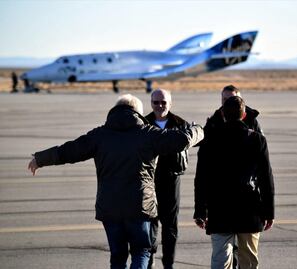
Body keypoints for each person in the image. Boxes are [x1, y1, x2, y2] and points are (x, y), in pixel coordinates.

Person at [27, 94, 204, 269]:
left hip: (109, 207)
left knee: (118, 257)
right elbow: (182, 140)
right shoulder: (147, 134)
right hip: (140, 206)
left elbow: (70, 150)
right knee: (142, 252)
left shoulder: (100, 135)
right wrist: (198, 129)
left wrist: (40, 159)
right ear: (138, 113)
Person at [193, 96, 274, 269]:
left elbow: (201, 179)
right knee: (249, 260)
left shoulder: (210, 140)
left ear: (223, 114)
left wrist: (200, 210)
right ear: (244, 115)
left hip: (219, 209)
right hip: (250, 209)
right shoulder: (257, 140)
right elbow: (266, 178)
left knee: (220, 259)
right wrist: (269, 211)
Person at [145, 89, 190, 269]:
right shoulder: (143, 123)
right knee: (150, 223)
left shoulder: (180, 124)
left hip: (172, 180)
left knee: (170, 225)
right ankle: (149, 260)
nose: (160, 106)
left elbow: (196, 139)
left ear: (170, 103)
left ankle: (168, 264)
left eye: (163, 102)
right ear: (151, 103)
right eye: (156, 102)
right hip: (148, 181)